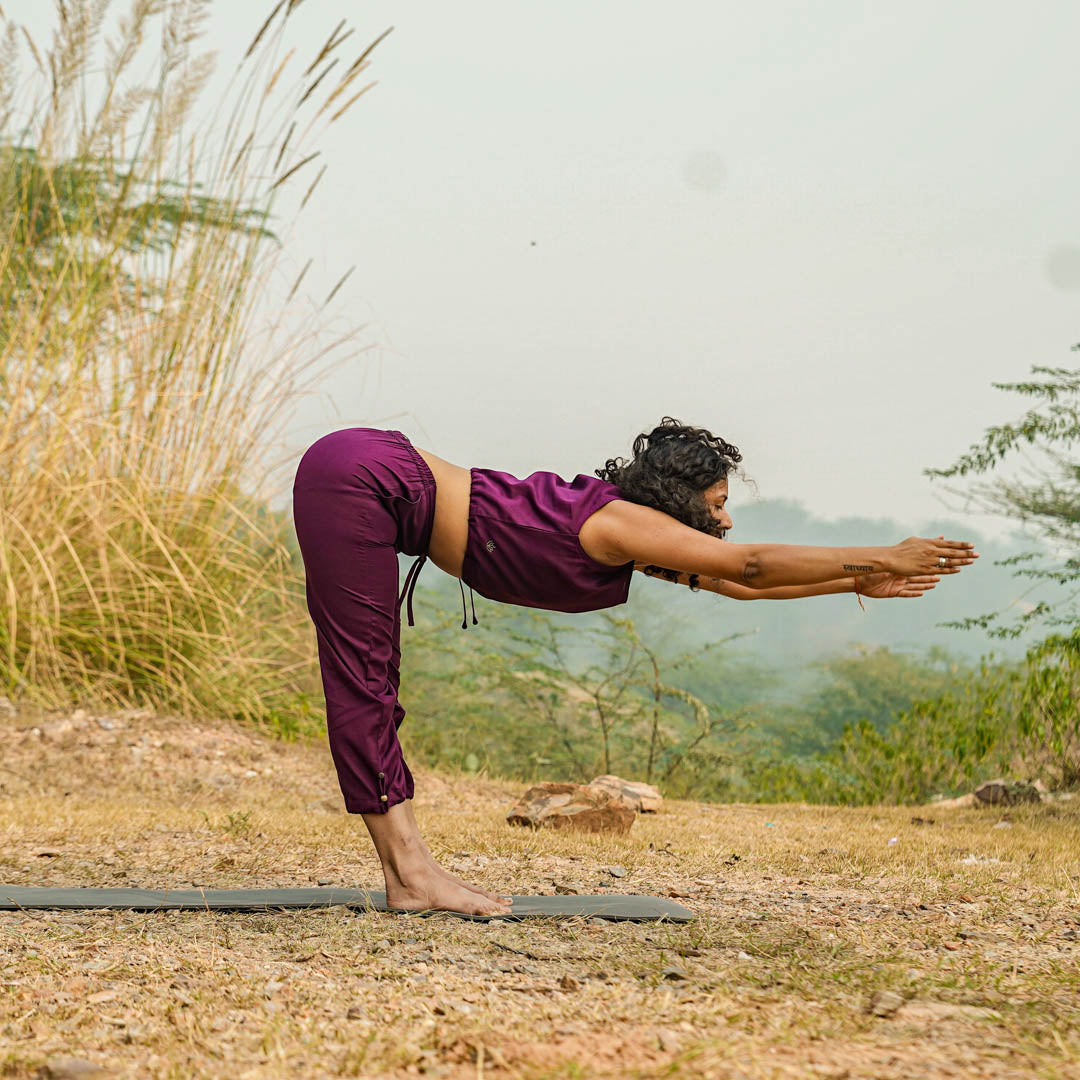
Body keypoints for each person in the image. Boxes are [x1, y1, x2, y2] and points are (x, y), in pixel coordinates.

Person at [292, 418, 977, 916]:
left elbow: (737, 584)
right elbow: (752, 564)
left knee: (370, 682)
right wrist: (884, 555)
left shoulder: (631, 537)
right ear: (678, 504)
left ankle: (409, 874)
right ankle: (412, 877)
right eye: (716, 505)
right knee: (365, 682)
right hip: (360, 478)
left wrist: (852, 584)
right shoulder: (620, 524)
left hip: (369, 472)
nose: (728, 521)